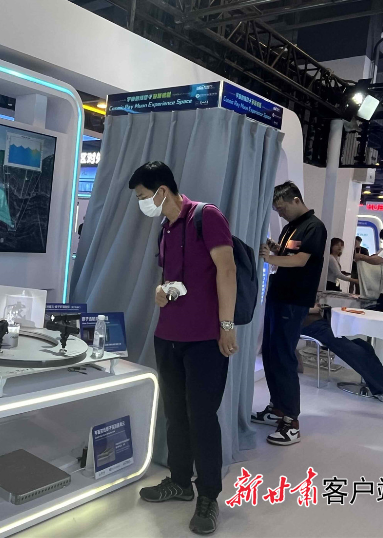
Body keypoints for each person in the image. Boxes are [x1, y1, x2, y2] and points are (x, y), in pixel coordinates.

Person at [129, 162, 237, 535]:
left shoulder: (206, 217)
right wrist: (161, 291)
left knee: (202, 417)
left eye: (143, 196)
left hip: (205, 339)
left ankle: (208, 495)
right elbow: (171, 277)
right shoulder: (166, 227)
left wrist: (226, 326)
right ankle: (179, 481)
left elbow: (227, 271)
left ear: (162, 190)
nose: (142, 203)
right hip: (168, 335)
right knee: (175, 414)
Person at [253, 181, 326, 446]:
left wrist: (270, 258)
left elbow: (300, 260)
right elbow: (289, 253)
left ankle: (291, 421)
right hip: (278, 296)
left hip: (294, 301)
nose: (280, 213)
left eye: (282, 208)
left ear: (296, 200)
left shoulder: (314, 227)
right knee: (271, 354)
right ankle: (278, 408)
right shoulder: (289, 227)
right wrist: (275, 248)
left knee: (283, 356)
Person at [302, 307, 383, 408]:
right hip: (307, 325)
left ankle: (381, 389)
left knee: (364, 346)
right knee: (351, 349)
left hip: (320, 323)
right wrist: (312, 307)